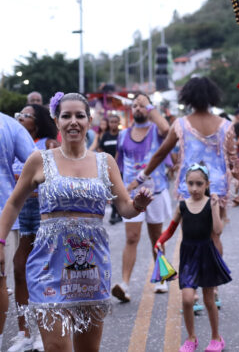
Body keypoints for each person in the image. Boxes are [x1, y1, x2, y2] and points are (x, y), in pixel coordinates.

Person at [0, 92, 152, 352]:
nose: (73, 121)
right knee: (56, 347)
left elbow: (125, 208)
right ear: (56, 121)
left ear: (89, 121)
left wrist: (138, 204)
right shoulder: (39, 160)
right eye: (66, 116)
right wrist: (1, 242)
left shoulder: (105, 162)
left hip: (91, 268)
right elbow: (13, 203)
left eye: (79, 116)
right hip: (48, 267)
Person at [128, 77, 239, 257]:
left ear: (188, 97)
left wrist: (140, 178)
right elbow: (233, 159)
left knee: (190, 235)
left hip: (190, 186)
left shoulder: (181, 124)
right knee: (215, 236)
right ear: (213, 97)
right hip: (216, 187)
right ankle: (214, 274)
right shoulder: (225, 125)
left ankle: (192, 272)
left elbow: (160, 153)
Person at [155, 163, 231, 352]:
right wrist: (160, 241)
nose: (195, 188)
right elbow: (171, 229)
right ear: (185, 184)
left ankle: (216, 337)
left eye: (199, 184)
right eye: (191, 184)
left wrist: (215, 207)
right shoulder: (182, 206)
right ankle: (191, 338)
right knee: (188, 299)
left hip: (206, 255)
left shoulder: (210, 203)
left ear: (207, 184)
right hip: (188, 256)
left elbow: (218, 230)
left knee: (209, 300)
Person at [112, 94, 173, 303]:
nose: (138, 108)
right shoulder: (123, 135)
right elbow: (118, 164)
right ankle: (124, 284)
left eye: (142, 105)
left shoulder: (156, 131)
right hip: (131, 195)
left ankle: (162, 278)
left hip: (155, 193)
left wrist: (149, 107)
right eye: (135, 105)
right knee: (131, 237)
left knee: (157, 238)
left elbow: (166, 129)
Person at [8, 104, 59, 352]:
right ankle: (25, 333)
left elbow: (55, 175)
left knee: (42, 271)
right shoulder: (15, 142)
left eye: (25, 115)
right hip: (22, 212)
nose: (20, 118)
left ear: (37, 121)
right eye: (19, 115)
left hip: (42, 211)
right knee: (20, 270)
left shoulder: (48, 144)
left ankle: (43, 332)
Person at [0, 111, 36, 348]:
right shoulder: (10, 125)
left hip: (4, 216)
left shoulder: (9, 126)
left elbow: (36, 163)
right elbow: (38, 164)